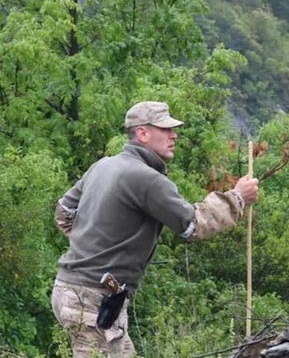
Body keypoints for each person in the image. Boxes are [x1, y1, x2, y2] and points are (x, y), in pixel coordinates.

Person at [51, 101, 259, 357]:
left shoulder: (103, 166)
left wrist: (94, 245)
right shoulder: (148, 179)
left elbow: (64, 213)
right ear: (142, 133)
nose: (174, 135)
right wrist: (238, 198)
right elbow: (193, 225)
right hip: (94, 298)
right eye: (165, 129)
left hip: (68, 290)